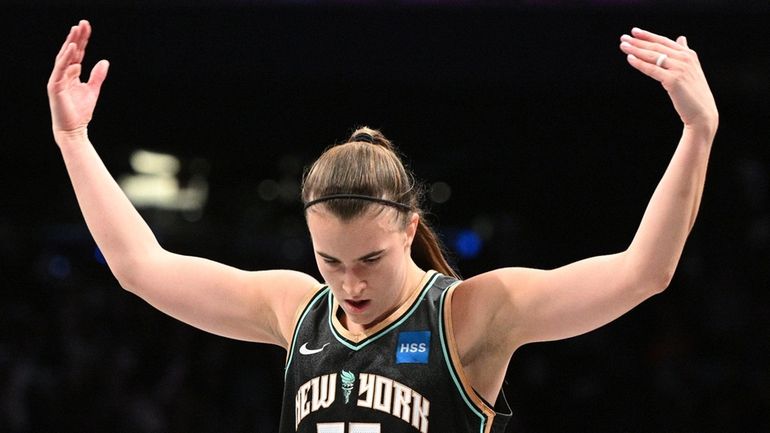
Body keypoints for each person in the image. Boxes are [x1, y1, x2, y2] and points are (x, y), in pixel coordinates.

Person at [47, 20, 718, 433]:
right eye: (329, 260)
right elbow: (142, 267)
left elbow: (642, 271)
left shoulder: (470, 315)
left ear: (408, 228)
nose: (348, 282)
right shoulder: (295, 311)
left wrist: (697, 130)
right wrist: (74, 140)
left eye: (367, 258)